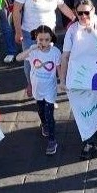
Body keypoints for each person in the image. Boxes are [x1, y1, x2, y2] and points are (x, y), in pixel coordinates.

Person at [58, 0, 97, 158]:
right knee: (83, 109)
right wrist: (62, 79)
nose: (83, 16)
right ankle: (89, 142)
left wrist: (94, 34)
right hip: (80, 77)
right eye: (79, 13)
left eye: (86, 12)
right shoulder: (72, 30)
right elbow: (65, 56)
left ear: (93, 11)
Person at [16, 25, 63, 155]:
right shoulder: (33, 50)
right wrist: (31, 49)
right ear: (36, 39)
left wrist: (62, 82)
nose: (43, 43)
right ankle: (44, 124)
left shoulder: (55, 52)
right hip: (37, 87)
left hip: (50, 88)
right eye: (40, 40)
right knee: (41, 110)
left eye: (46, 40)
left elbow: (59, 68)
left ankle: (52, 140)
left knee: (49, 113)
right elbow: (18, 58)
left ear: (51, 39)